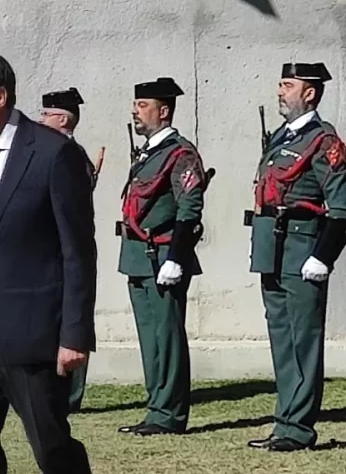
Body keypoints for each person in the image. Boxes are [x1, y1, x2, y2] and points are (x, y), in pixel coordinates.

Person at [0, 49, 96, 474]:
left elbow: (78, 252)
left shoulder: (52, 153)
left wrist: (75, 334)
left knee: (52, 449)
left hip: (34, 336)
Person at [246, 62, 346, 453]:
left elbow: (342, 209)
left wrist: (322, 257)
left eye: (288, 85)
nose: (280, 91)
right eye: (280, 84)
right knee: (282, 338)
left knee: (303, 341)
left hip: (302, 248)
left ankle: (298, 428)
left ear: (309, 93)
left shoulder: (324, 141)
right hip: (273, 247)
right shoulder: (283, 136)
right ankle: (285, 421)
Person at [116, 77, 209, 437]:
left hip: (163, 256)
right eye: (135, 105)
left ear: (164, 110)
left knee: (167, 337)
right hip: (138, 256)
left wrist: (177, 257)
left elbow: (190, 207)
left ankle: (169, 413)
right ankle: (156, 408)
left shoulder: (179, 153)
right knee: (150, 338)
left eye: (142, 106)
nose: (134, 112)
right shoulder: (149, 152)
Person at [40, 86, 98, 414]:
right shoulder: (51, 152)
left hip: (68, 251)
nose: (41, 119)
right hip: (46, 250)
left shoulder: (71, 155)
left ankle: (71, 395)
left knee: (72, 320)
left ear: (63, 119)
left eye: (47, 114)